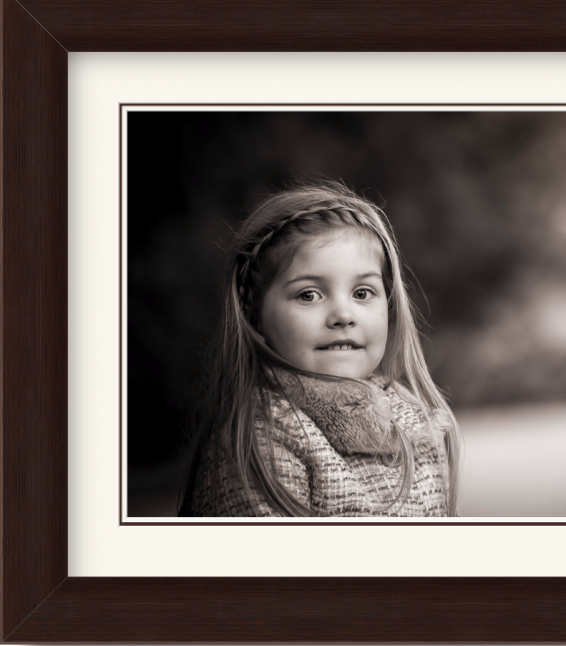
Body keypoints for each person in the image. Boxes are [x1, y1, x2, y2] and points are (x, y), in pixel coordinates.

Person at [178, 179, 462, 517]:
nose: (343, 315)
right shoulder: (263, 436)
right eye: (308, 295)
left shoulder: (419, 423)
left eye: (362, 293)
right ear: (254, 315)